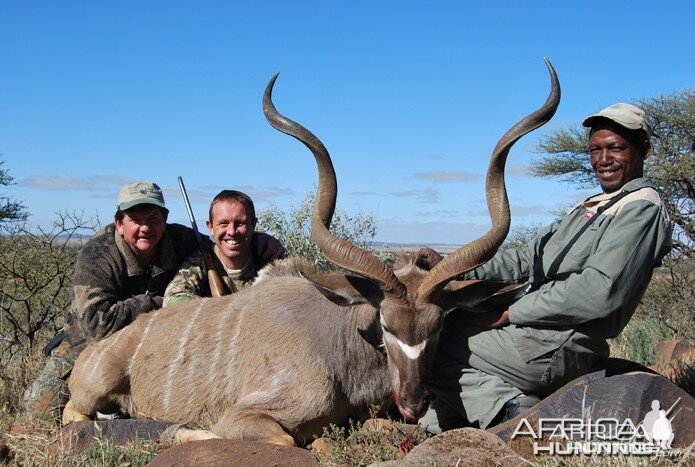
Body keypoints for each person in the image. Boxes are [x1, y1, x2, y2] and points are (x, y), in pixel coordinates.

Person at [419, 103, 672, 433]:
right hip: (535, 335)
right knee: (444, 328)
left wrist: (513, 313)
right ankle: (437, 429)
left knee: (428, 346)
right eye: (596, 149)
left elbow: (599, 291)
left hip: (558, 344)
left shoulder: (641, 208)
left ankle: (513, 412)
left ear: (644, 150)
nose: (603, 159)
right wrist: (457, 269)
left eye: (615, 148)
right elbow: (528, 256)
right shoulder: (593, 205)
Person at [163, 189, 287, 306]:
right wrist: (219, 310)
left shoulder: (270, 257)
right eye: (223, 223)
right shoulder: (201, 261)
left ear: (253, 225)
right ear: (210, 227)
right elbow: (173, 299)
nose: (232, 232)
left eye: (240, 223)